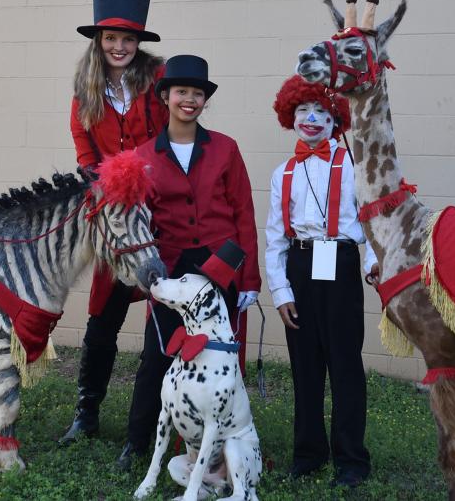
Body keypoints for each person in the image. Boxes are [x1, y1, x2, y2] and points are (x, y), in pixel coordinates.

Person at [116, 54, 261, 470]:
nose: (190, 100)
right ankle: (136, 442)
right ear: (166, 96)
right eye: (182, 92)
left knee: (219, 359)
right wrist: (145, 274)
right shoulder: (142, 155)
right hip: (172, 270)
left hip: (221, 266)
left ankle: (216, 444)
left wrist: (248, 277)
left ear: (204, 101)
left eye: (197, 93)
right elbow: (136, 222)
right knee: (157, 356)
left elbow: (243, 214)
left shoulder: (226, 149)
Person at [60, 0, 169, 445]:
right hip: (114, 222)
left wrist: (137, 172)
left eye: (128, 39)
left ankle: (159, 415)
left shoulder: (159, 81)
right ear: (98, 42)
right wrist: (109, 189)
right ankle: (87, 412)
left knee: (164, 316)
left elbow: (170, 138)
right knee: (102, 319)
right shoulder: (84, 95)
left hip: (160, 212)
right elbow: (86, 159)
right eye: (110, 39)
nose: (119, 47)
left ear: (138, 43)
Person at [264, 75, 379, 488]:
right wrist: (281, 291)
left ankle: (351, 459)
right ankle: (308, 453)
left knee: (345, 365)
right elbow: (275, 236)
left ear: (335, 121)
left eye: (321, 113)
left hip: (340, 264)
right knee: (305, 366)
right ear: (289, 117)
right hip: (300, 267)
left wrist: (371, 263)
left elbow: (368, 221)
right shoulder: (283, 173)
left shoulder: (353, 164)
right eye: (302, 111)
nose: (311, 119)